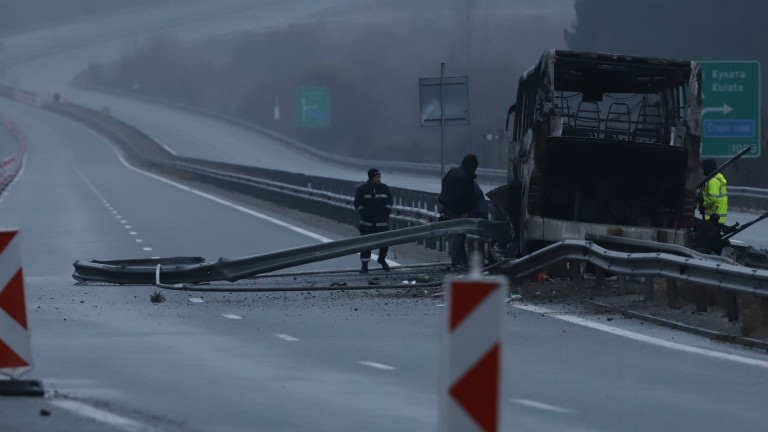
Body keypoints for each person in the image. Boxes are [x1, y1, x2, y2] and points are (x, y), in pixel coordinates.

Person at [438, 154, 479, 268]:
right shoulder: (466, 178)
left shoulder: (454, 172)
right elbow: (466, 196)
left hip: (447, 207)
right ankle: (457, 262)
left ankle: (461, 261)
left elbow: (445, 188)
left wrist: (444, 209)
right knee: (458, 237)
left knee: (456, 236)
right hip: (457, 210)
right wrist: (466, 211)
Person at [354, 168, 393, 273]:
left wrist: (386, 212)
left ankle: (382, 259)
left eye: (379, 177)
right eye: (376, 177)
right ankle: (364, 265)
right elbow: (357, 204)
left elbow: (390, 202)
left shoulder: (385, 188)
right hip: (367, 223)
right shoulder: (362, 190)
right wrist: (364, 214)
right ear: (371, 178)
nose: (379, 179)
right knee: (366, 244)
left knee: (385, 243)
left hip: (382, 223)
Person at [699, 158, 728, 225]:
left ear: (708, 169)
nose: (703, 172)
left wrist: (703, 206)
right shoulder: (715, 179)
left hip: (713, 218)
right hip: (715, 218)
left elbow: (712, 199)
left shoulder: (713, 181)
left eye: (704, 169)